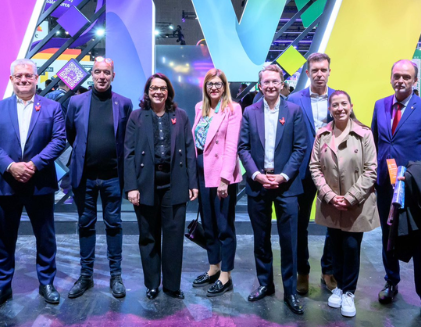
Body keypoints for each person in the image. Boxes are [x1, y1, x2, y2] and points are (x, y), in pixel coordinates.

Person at [0, 59, 67, 312]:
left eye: (28, 76)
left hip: (39, 182)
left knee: (45, 236)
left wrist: (33, 164)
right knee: (4, 238)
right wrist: (10, 166)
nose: (23, 80)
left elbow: (59, 140)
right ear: (11, 80)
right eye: (18, 76)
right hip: (7, 184)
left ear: (37, 78)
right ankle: (2, 286)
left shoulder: (52, 108)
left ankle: (47, 283)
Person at [371, 59, 421, 323]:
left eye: (406, 77)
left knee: (419, 243)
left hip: (412, 187)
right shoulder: (380, 105)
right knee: (388, 238)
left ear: (414, 81)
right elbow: (377, 143)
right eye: (397, 76)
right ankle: (391, 281)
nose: (401, 81)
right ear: (391, 78)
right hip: (384, 185)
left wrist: (412, 173)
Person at [238, 64, 308, 315]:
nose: (270, 86)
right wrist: (257, 175)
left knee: (289, 240)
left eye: (274, 82)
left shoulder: (294, 111)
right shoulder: (250, 112)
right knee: (261, 238)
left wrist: (283, 175)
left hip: (286, 186)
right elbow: (243, 148)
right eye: (265, 82)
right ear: (260, 85)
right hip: (258, 185)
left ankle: (290, 290)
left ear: (281, 84)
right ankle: (265, 283)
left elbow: (300, 148)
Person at [124, 73, 198, 300]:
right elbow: (128, 154)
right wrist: (131, 187)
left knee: (174, 237)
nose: (158, 92)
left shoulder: (181, 116)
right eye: (154, 88)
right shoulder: (137, 116)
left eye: (162, 88)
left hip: (175, 185)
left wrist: (192, 183)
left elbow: (189, 151)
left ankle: (172, 286)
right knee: (149, 236)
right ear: (147, 92)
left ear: (169, 92)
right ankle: (153, 284)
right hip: (145, 185)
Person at [65, 57, 132, 299]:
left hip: (113, 177)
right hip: (84, 177)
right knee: (85, 224)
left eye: (106, 72)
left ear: (113, 75)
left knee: (114, 224)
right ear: (91, 75)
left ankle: (116, 276)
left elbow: (125, 140)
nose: (101, 76)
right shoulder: (75, 102)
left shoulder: (124, 104)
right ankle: (86, 277)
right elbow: (71, 136)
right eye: (97, 72)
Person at [310, 90, 378, 317]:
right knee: (334, 246)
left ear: (351, 105)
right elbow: (315, 167)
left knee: (351, 246)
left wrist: (350, 198)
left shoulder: (364, 133)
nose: (339, 108)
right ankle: (337, 287)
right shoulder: (322, 135)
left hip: (356, 204)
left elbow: (371, 170)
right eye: (335, 105)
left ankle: (349, 292)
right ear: (330, 109)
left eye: (343, 104)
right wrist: (330, 196)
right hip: (331, 203)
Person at [287, 53, 336, 294]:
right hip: (303, 171)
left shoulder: (338, 99)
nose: (319, 74)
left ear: (329, 72)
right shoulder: (294, 99)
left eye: (323, 70)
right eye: (314, 70)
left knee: (334, 223)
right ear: (307, 73)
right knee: (300, 223)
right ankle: (302, 271)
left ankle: (328, 270)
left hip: (333, 171)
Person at [191, 68, 242, 297]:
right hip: (202, 176)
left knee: (224, 228)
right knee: (209, 226)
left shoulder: (232, 109)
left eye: (218, 84)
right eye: (210, 84)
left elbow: (231, 146)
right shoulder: (198, 109)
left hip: (222, 177)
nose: (214, 87)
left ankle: (226, 275)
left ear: (224, 87)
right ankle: (213, 268)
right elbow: (196, 145)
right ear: (205, 87)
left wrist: (224, 179)